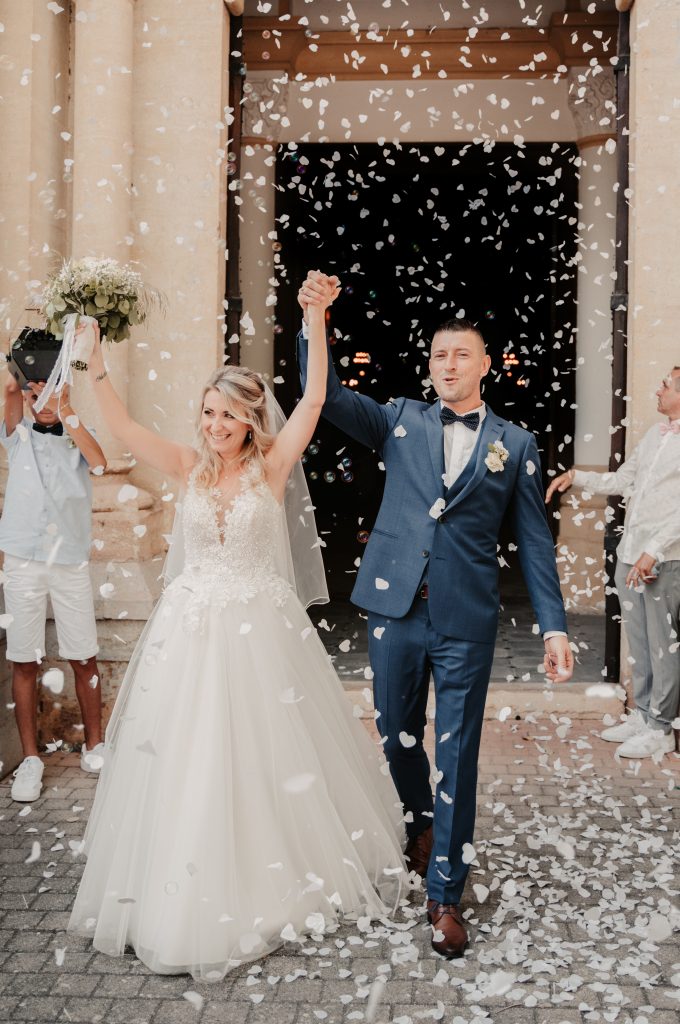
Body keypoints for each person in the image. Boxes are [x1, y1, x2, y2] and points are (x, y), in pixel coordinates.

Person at [67, 288, 407, 980]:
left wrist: (314, 322)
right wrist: (94, 360)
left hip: (258, 631)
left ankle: (269, 879)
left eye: (227, 414)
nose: (215, 424)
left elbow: (315, 399)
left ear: (251, 420)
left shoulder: (271, 468)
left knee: (261, 753)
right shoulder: (187, 467)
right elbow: (122, 426)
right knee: (185, 755)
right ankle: (176, 888)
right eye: (208, 412)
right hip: (190, 632)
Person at [297, 270, 573, 959]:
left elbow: (535, 540)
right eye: (438, 355)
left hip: (465, 619)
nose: (448, 365)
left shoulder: (516, 443)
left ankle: (445, 891)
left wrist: (555, 626)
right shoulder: (400, 419)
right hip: (394, 607)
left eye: (460, 355)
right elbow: (324, 395)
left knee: (457, 752)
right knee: (396, 738)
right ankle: (421, 824)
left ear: (485, 364)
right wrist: (314, 322)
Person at [546, 366, 680, 759]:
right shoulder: (655, 435)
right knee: (640, 642)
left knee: (663, 646)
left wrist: (653, 551)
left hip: (662, 558)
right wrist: (577, 477)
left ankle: (661, 728)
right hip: (629, 554)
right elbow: (623, 481)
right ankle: (643, 714)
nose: (658, 389)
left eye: (666, 385)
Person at [1, 373, 106, 802]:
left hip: (69, 560)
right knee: (24, 660)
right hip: (22, 559)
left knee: (83, 655)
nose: (41, 400)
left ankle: (95, 746)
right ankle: (31, 759)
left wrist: (65, 407)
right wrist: (21, 370)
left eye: (51, 391)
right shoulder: (17, 435)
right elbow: (10, 389)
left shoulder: (78, 431)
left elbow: (99, 463)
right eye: (36, 392)